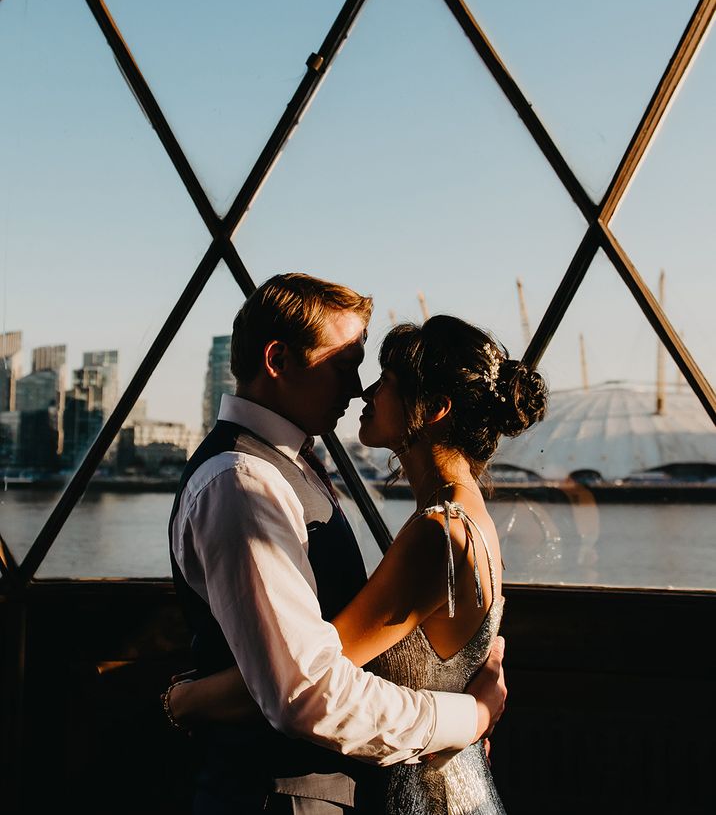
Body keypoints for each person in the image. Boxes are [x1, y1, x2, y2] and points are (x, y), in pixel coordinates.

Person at [169, 288, 549, 813]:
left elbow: (307, 681)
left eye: (380, 378)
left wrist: (189, 699)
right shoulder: (244, 479)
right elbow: (304, 678)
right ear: (277, 360)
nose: (359, 388)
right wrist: (470, 714)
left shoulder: (437, 530)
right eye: (345, 364)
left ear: (434, 409)